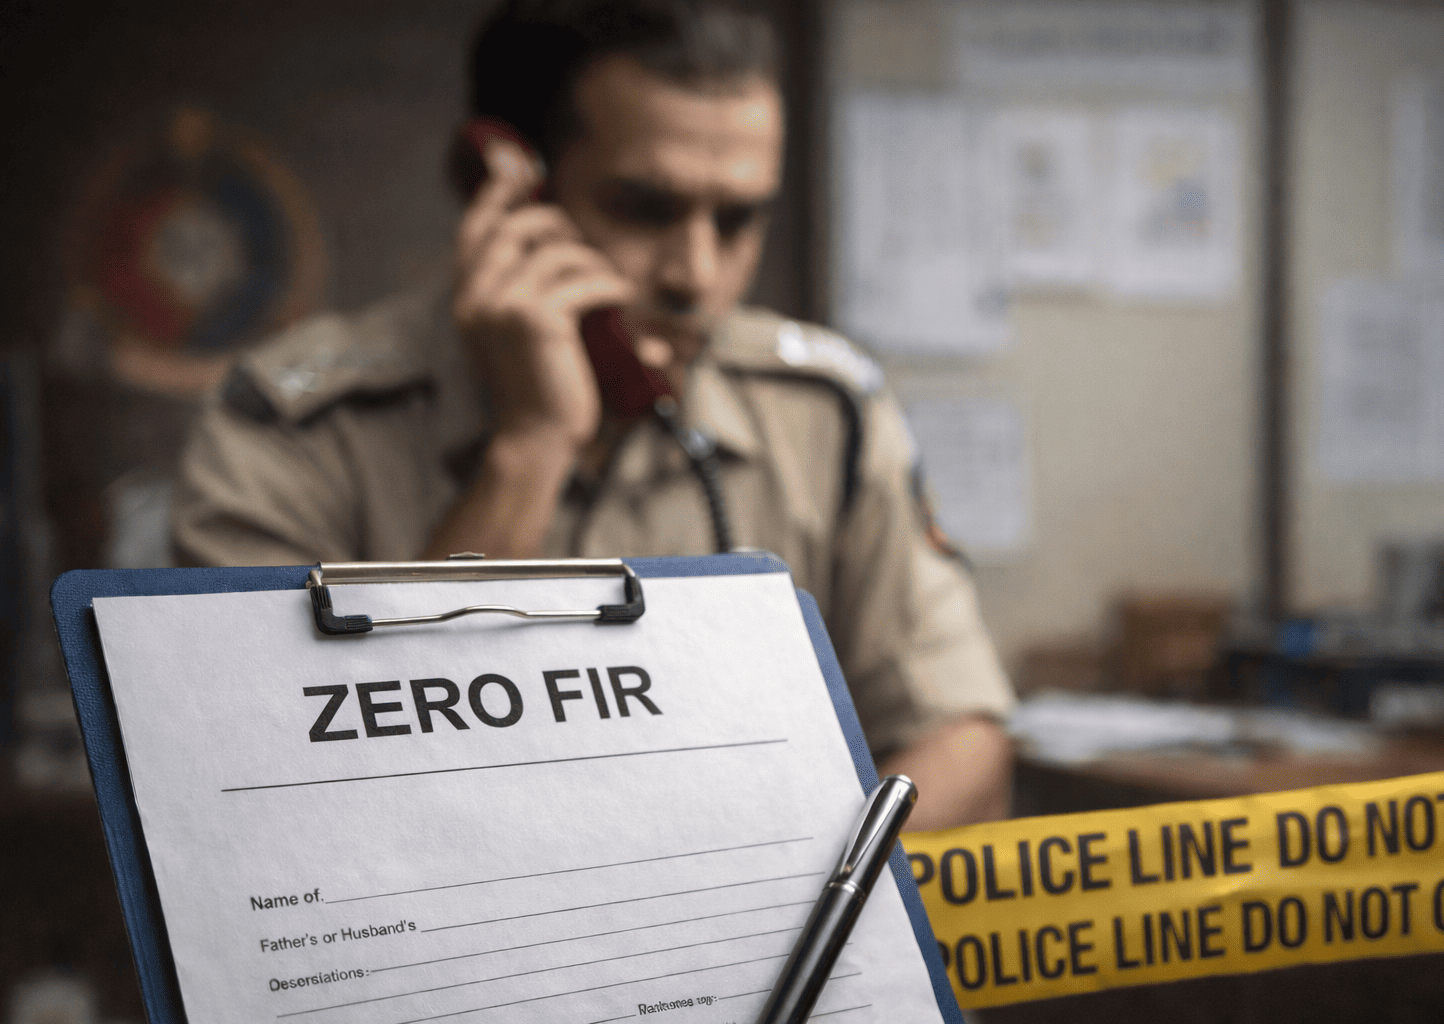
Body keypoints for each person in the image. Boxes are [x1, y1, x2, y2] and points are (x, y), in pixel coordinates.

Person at [172, 0, 1014, 831]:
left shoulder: (827, 415)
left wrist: (771, 919)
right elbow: (273, 811)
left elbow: (960, 743)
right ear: (507, 183)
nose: (696, 274)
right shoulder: (289, 428)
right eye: (645, 208)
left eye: (739, 218)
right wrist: (529, 447)